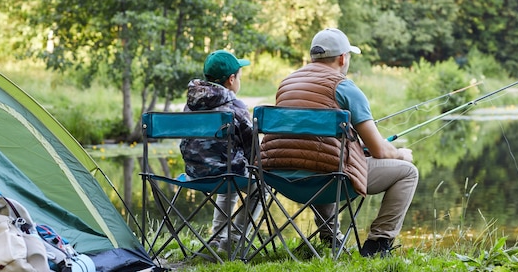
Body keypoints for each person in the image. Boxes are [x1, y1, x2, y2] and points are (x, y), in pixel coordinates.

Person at [259, 28, 419, 257]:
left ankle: (330, 236)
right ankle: (378, 244)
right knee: (407, 172)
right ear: (343, 58)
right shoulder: (344, 87)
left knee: (318, 157)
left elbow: (303, 139)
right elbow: (379, 150)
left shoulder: (287, 83)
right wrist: (401, 154)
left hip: (282, 178)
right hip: (329, 181)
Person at [179, 50, 261, 251]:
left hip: (195, 176)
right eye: (239, 77)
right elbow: (253, 151)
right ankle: (231, 239)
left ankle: (216, 237)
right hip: (228, 175)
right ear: (231, 80)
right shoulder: (235, 106)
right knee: (259, 186)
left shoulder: (190, 105)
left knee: (229, 175)